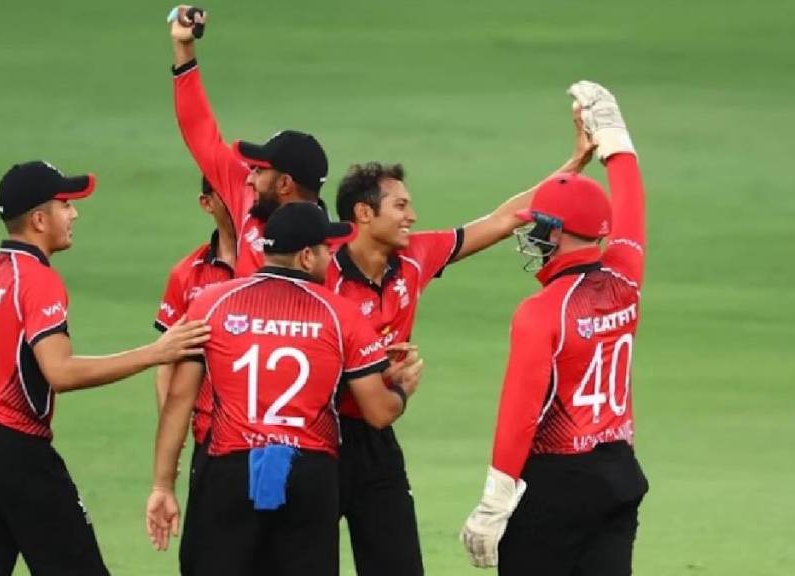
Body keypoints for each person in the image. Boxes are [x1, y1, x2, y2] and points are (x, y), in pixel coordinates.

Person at [328, 110, 596, 575]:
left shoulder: (416, 255)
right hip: (317, 438)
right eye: (400, 206)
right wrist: (372, 373)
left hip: (376, 440)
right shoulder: (321, 271)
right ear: (364, 214)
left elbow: (504, 218)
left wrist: (573, 166)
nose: (412, 216)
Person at [0, 160, 211, 575]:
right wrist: (156, 352)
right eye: (66, 205)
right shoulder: (38, 279)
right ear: (39, 220)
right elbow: (60, 372)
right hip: (17, 448)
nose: (74, 214)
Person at [145, 202, 424, 576]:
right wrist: (402, 390)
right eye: (327, 250)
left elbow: (179, 399)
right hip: (308, 474)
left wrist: (163, 485)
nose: (332, 258)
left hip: (228, 469)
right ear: (307, 257)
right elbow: (378, 412)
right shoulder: (341, 314)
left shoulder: (211, 304)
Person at [460, 81, 649, 576]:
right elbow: (631, 201)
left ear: (557, 232)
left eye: (540, 224)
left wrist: (493, 503)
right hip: (619, 474)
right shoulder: (625, 277)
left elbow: (520, 414)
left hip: (555, 484)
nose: (534, 233)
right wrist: (613, 135)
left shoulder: (541, 312)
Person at [167, 5, 330, 276]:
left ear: (284, 184)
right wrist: (184, 49)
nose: (250, 178)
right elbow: (200, 132)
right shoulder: (249, 199)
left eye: (259, 171)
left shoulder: (328, 250)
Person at [151, 175, 236, 572]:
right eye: (226, 190)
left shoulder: (273, 263)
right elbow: (167, 361)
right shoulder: (187, 275)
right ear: (207, 204)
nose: (238, 196)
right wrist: (174, 436)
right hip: (211, 441)